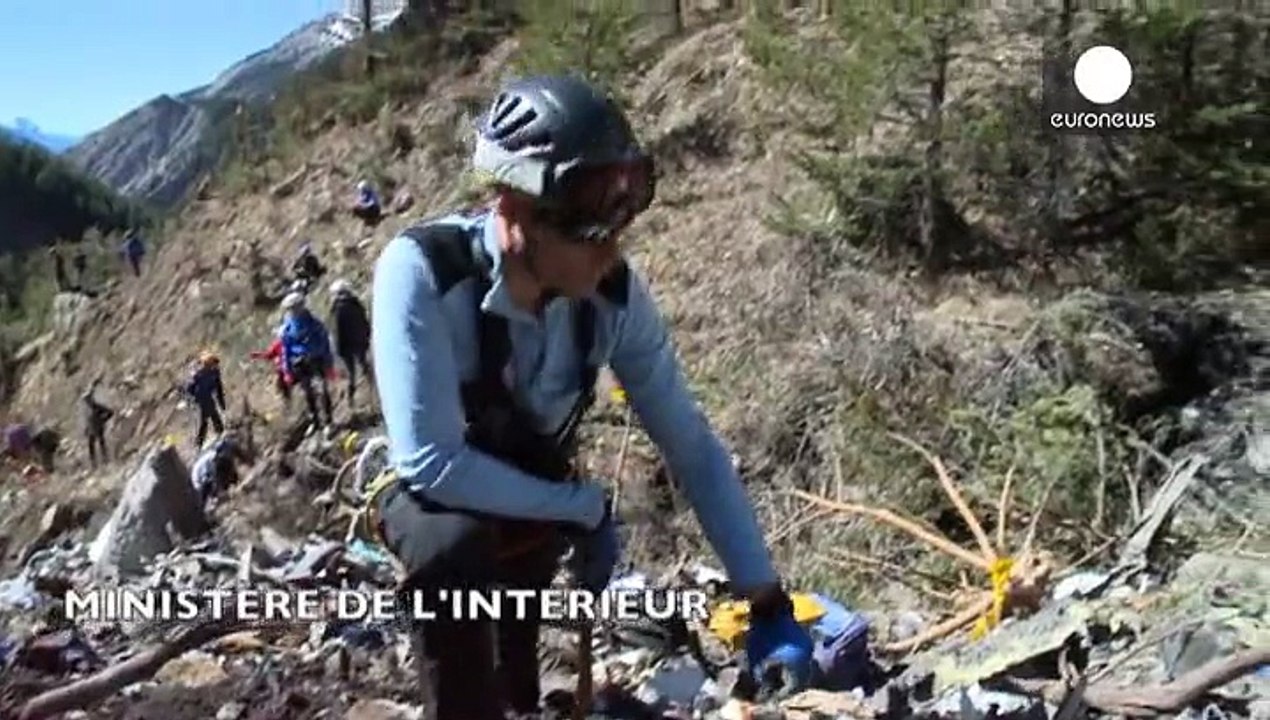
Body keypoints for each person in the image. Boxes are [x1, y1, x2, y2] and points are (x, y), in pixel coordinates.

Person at [369, 74, 814, 719]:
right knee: (452, 555)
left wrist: (766, 601)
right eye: (592, 233)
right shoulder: (424, 273)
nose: (613, 252)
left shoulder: (613, 299)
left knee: (516, 677)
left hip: (531, 495)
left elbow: (689, 446)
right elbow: (432, 465)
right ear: (517, 213)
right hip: (433, 496)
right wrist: (581, 506)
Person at [279, 292, 335, 428]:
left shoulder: (314, 323)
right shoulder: (287, 328)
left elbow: (325, 343)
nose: (294, 310)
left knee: (322, 390)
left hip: (316, 360)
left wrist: (329, 363)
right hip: (299, 363)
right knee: (308, 393)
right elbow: (285, 349)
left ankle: (328, 421)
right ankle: (315, 421)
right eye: (291, 308)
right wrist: (286, 370)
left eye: (296, 307)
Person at [329, 279, 373, 408]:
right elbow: (365, 322)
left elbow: (337, 331)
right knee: (365, 367)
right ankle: (373, 394)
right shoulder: (356, 303)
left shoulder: (337, 309)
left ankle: (351, 403)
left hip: (346, 347)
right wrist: (366, 336)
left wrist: (338, 350)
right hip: (360, 342)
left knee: (350, 375)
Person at [190, 433, 252, 507]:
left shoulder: (216, 457)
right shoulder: (204, 472)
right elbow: (207, 484)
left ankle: (236, 486)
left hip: (215, 465)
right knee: (222, 474)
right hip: (209, 473)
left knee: (227, 468)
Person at [187, 351, 227, 449]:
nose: (216, 366)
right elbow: (190, 387)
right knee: (212, 416)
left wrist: (222, 404)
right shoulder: (202, 374)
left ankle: (199, 443)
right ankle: (220, 435)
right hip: (203, 397)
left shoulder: (210, 373)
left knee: (205, 420)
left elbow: (219, 389)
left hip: (203, 398)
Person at [248, 331, 292, 409]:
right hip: (284, 371)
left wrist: (257, 355)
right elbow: (269, 355)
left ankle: (286, 405)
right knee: (281, 389)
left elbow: (269, 355)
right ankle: (287, 405)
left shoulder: (280, 343)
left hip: (285, 370)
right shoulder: (280, 344)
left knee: (280, 389)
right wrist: (257, 355)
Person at [80, 379, 114, 468]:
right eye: (86, 401)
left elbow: (110, 412)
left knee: (101, 443)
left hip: (98, 428)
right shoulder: (87, 410)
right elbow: (87, 420)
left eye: (87, 400)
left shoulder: (97, 407)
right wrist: (86, 429)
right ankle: (94, 464)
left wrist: (103, 420)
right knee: (91, 447)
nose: (86, 402)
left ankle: (105, 459)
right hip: (92, 429)